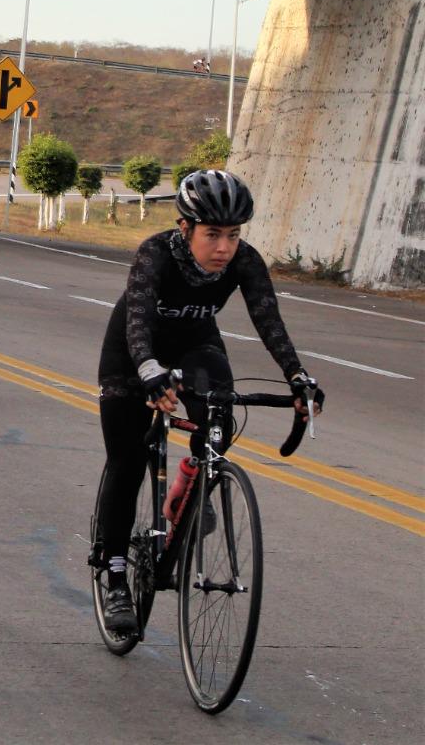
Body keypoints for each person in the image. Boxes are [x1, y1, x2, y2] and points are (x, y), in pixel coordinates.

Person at [92, 170, 324, 635]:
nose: (224, 247)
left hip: (197, 344)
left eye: (233, 235)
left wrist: (298, 379)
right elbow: (137, 321)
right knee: (127, 459)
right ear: (185, 228)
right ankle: (115, 572)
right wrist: (149, 371)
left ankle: (188, 488)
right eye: (212, 234)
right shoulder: (156, 254)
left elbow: (269, 322)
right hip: (133, 350)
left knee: (219, 414)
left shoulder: (244, 261)